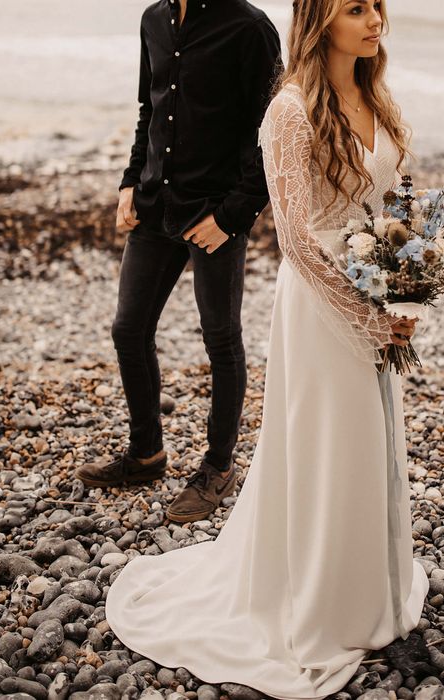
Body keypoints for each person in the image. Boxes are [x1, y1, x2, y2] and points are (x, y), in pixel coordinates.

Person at [105, 0, 430, 697]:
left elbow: (399, 200)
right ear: (320, 22)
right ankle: (312, 598)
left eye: (378, 6)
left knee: (370, 441)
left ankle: (364, 586)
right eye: (356, 8)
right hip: (321, 308)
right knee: (324, 443)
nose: (376, 19)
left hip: (373, 294)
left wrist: (409, 284)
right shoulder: (291, 110)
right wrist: (366, 315)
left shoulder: (381, 98)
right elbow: (297, 238)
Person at [75, 0, 282, 525]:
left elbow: (272, 132)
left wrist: (233, 216)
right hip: (154, 208)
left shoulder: (251, 28)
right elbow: (150, 108)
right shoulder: (153, 20)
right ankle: (146, 454)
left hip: (212, 217)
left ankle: (217, 467)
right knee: (129, 329)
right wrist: (129, 179)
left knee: (220, 339)